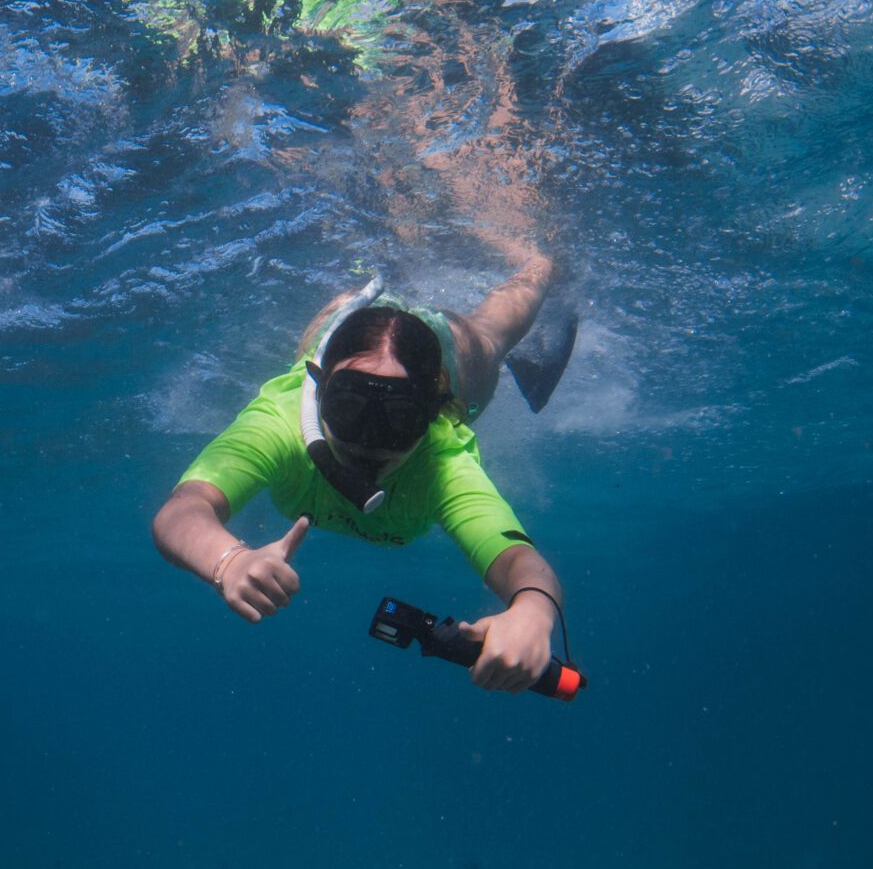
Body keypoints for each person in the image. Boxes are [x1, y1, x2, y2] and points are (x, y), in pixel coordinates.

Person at [150, 257, 571, 692]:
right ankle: (386, 263)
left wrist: (532, 612)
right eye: (349, 408)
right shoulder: (282, 424)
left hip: (449, 357)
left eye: (399, 416)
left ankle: (544, 264)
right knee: (365, 301)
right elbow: (183, 510)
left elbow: (520, 561)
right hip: (347, 331)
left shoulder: (440, 462)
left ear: (433, 413)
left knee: (486, 339)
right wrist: (229, 560)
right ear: (319, 392)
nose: (369, 441)